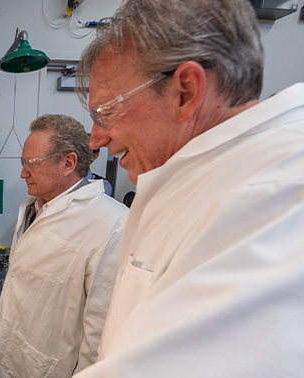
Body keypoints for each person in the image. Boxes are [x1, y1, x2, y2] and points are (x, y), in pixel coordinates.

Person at [71, 0, 304, 377]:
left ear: (186, 91)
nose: (96, 140)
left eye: (106, 112)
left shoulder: (280, 197)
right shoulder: (193, 176)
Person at [0, 115, 128, 378]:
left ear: (68, 163)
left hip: (47, 368)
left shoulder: (111, 224)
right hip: (6, 354)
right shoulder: (31, 208)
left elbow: (99, 334)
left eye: (31, 163)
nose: (23, 173)